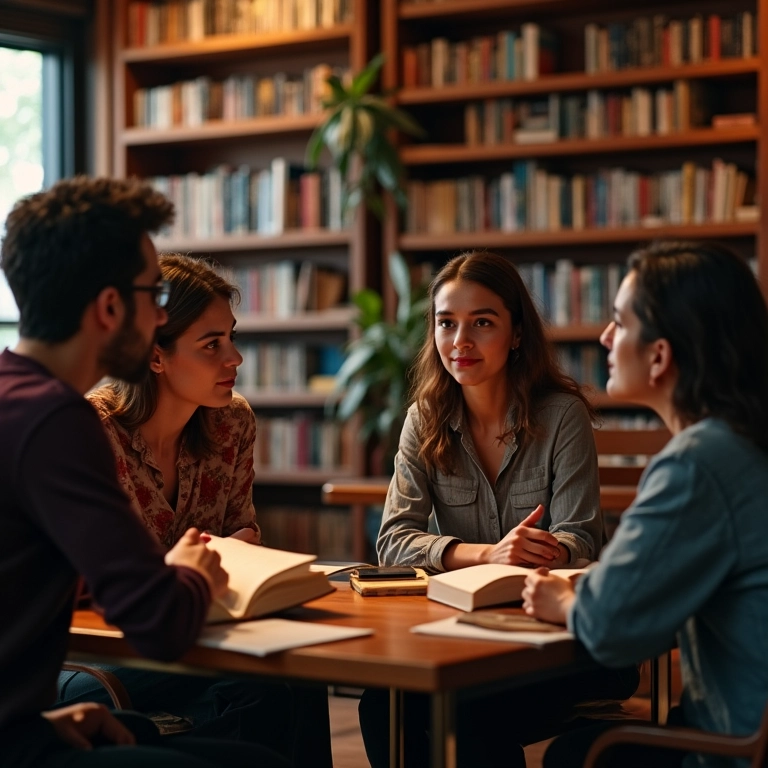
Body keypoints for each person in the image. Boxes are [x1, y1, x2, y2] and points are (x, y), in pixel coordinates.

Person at [0, 176, 286, 768]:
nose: (159, 313)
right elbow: (159, 622)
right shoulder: (60, 421)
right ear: (110, 307)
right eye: (152, 294)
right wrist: (191, 571)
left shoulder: (17, 400)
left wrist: (38, 719)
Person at [359, 250, 639, 768]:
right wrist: (488, 555)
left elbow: (582, 540)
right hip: (464, 638)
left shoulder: (561, 416)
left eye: (481, 323)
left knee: (467, 715)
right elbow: (394, 539)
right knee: (383, 705)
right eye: (447, 323)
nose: (460, 342)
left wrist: (543, 550)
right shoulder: (425, 419)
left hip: (559, 645)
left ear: (515, 334)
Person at [56, 253, 333, 767]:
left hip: (203, 627)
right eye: (212, 345)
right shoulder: (88, 433)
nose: (235, 358)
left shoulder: (232, 424)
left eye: (231, 336)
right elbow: (71, 586)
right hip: (106, 643)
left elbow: (239, 533)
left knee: (298, 674)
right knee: (259, 689)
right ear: (154, 355)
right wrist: (175, 573)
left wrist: (240, 549)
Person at [522, 241, 768, 768]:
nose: (605, 337)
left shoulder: (698, 463)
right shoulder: (746, 445)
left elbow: (610, 627)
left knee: (575, 757)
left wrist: (561, 602)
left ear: (660, 355)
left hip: (734, 748)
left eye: (619, 322)